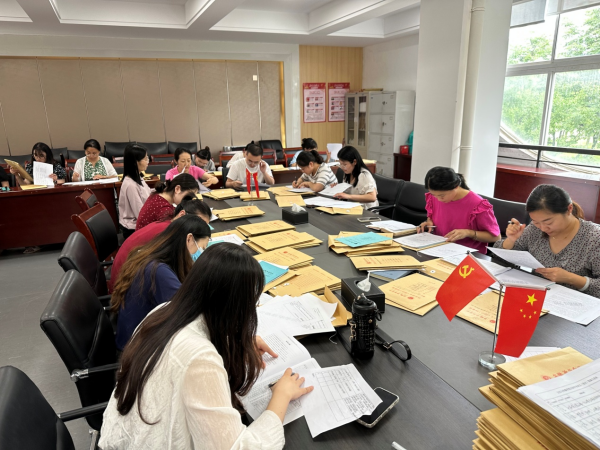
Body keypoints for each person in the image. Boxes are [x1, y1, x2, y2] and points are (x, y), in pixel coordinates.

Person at [99, 243, 313, 449]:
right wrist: (281, 396)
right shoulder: (199, 359)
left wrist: (235, 341)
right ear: (235, 307)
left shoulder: (163, 311)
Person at [110, 215, 211, 351]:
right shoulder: (158, 272)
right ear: (189, 239)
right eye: (202, 247)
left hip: (135, 339)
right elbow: (188, 312)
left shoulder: (152, 256)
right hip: (136, 351)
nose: (200, 254)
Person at [495, 184, 600, 297]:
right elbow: (498, 258)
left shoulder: (594, 238)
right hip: (536, 297)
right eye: (536, 222)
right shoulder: (535, 229)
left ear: (569, 209)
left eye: (549, 222)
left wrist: (571, 278)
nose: (543, 228)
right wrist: (511, 240)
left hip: (576, 302)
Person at [109, 197, 212, 292]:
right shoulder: (166, 236)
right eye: (198, 222)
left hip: (127, 279)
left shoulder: (169, 227)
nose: (201, 228)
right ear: (182, 215)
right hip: (123, 284)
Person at [419, 166, 500, 254]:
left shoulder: (478, 205)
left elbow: (496, 237)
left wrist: (468, 233)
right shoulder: (434, 196)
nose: (438, 199)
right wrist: (429, 223)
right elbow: (431, 216)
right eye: (434, 195)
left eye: (442, 195)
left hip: (467, 255)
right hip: (437, 249)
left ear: (456, 186)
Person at [118, 144, 151, 239]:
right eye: (145, 159)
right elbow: (141, 215)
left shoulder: (138, 177)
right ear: (136, 162)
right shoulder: (131, 185)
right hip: (133, 230)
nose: (148, 161)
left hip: (140, 224)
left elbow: (147, 193)